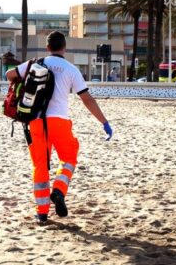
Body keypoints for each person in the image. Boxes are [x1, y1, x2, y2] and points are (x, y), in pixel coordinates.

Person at [6, 31, 113, 224]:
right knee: (69, 159)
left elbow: (9, 74)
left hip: (36, 121)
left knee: (40, 165)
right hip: (60, 122)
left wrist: (24, 83)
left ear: (47, 47)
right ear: (64, 47)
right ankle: (58, 190)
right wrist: (104, 122)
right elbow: (87, 99)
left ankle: (42, 213)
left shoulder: (35, 63)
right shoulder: (71, 69)